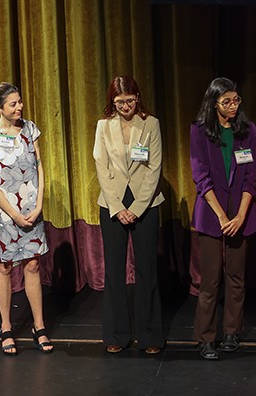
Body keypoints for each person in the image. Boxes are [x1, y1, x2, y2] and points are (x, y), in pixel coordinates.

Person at [190, 77, 256, 360]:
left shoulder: (248, 131)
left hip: (240, 213)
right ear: (213, 103)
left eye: (236, 100)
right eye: (226, 102)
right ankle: (206, 337)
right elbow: (201, 176)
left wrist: (241, 215)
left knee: (236, 277)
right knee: (210, 279)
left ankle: (232, 332)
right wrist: (222, 215)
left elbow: (251, 178)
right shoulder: (200, 131)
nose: (233, 106)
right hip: (212, 213)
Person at [0, 82, 52, 355]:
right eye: (13, 104)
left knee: (32, 266)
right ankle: (6, 327)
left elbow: (40, 167)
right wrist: (13, 214)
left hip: (31, 210)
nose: (19, 107)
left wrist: (39, 203)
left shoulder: (30, 129)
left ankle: (39, 326)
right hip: (4, 214)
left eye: (20, 102)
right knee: (5, 268)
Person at [93, 75, 165, 355]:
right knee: (114, 271)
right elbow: (101, 165)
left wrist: (136, 208)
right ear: (112, 101)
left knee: (147, 271)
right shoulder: (103, 126)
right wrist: (117, 206)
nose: (125, 106)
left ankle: (150, 336)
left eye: (130, 100)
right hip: (112, 203)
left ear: (138, 97)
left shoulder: (151, 124)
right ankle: (116, 334)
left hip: (145, 203)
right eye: (119, 101)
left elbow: (154, 167)